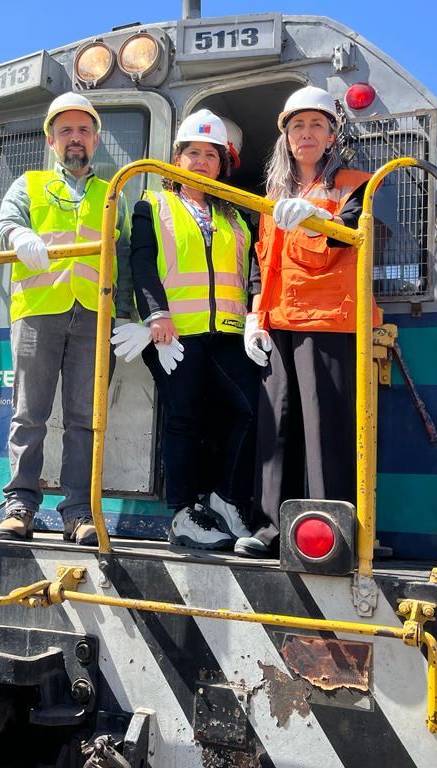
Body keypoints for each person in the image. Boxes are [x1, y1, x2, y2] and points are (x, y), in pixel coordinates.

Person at [235, 86, 381, 558]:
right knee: (274, 425)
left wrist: (316, 216)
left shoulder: (356, 184)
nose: (306, 133)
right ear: (286, 137)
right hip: (277, 321)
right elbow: (262, 261)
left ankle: (334, 531)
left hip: (329, 321)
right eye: (297, 125)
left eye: (316, 124)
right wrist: (254, 317)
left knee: (325, 428)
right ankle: (269, 529)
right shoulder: (272, 198)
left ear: (332, 135)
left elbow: (352, 234)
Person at [0, 92, 132, 545]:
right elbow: (1, 226)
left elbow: (125, 256)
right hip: (37, 312)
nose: (75, 138)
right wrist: (19, 234)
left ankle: (79, 513)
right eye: (66, 130)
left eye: (83, 130)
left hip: (94, 315)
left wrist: (129, 315)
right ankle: (20, 507)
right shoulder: (28, 185)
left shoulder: (113, 195)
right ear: (51, 140)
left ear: (95, 140)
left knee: (85, 420)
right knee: (28, 414)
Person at [112, 109, 258, 550]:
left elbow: (250, 271)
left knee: (250, 410)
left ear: (222, 165)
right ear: (176, 159)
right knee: (184, 420)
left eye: (211, 155)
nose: (201, 162)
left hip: (229, 332)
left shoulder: (237, 218)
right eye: (192, 152)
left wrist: (255, 316)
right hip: (173, 335)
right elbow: (142, 263)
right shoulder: (152, 204)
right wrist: (155, 315)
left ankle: (224, 499)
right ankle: (183, 515)